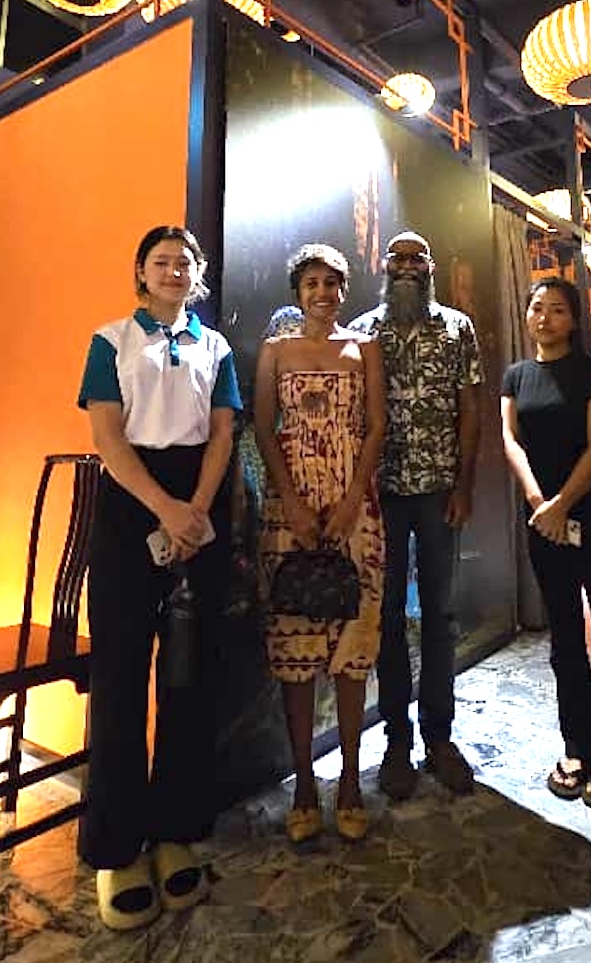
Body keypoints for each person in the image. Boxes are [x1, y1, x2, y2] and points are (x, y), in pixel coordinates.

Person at [77, 225, 242, 929]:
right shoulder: (111, 340)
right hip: (129, 505)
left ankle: (176, 830)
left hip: (200, 505)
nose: (174, 271)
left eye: (185, 262)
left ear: (197, 276)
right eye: (161, 262)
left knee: (190, 674)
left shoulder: (217, 347)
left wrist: (195, 510)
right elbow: (107, 436)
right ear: (141, 273)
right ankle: (116, 848)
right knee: (120, 677)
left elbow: (224, 432)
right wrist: (165, 509)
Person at [254, 243, 385, 843]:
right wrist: (293, 503)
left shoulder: (364, 349)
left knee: (353, 646)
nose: (322, 294)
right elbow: (264, 428)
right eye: (311, 283)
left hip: (355, 508)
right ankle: (305, 784)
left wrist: (354, 496)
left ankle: (351, 780)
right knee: (296, 648)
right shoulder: (275, 351)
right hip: (291, 510)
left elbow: (376, 426)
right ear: (297, 291)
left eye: (331, 283)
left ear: (344, 290)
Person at [348, 230, 482, 800]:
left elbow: (470, 408)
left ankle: (439, 737)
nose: (406, 265)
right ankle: (396, 742)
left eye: (416, 257)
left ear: (429, 267)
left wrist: (465, 485)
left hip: (437, 491)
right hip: (381, 495)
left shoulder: (456, 328)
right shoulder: (361, 333)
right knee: (385, 621)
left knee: (440, 615)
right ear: (384, 266)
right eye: (397, 257)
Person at [500, 276, 591, 811]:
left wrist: (562, 505)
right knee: (565, 640)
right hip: (543, 524)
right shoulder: (516, 376)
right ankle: (577, 747)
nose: (545, 317)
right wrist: (540, 504)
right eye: (537, 307)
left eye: (557, 309)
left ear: (574, 320)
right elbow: (511, 440)